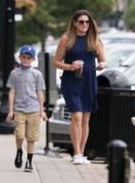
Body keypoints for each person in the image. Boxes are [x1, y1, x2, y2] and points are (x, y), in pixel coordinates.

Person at [53, 10, 106, 165]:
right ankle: (76, 153)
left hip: (89, 81)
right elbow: (56, 62)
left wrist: (102, 65)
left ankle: (82, 153)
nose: (84, 25)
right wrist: (70, 66)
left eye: (87, 22)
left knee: (86, 118)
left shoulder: (94, 40)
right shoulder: (66, 39)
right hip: (71, 81)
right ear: (75, 23)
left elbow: (103, 60)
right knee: (77, 116)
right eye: (81, 22)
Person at [7, 45, 46, 173]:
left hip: (34, 110)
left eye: (28, 58)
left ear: (33, 59)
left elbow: (39, 92)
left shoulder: (37, 74)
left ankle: (29, 161)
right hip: (19, 109)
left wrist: (42, 110)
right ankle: (19, 151)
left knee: (31, 137)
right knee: (19, 134)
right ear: (19, 57)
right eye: (23, 57)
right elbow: (12, 92)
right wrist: (11, 110)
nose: (25, 60)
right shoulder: (15, 73)